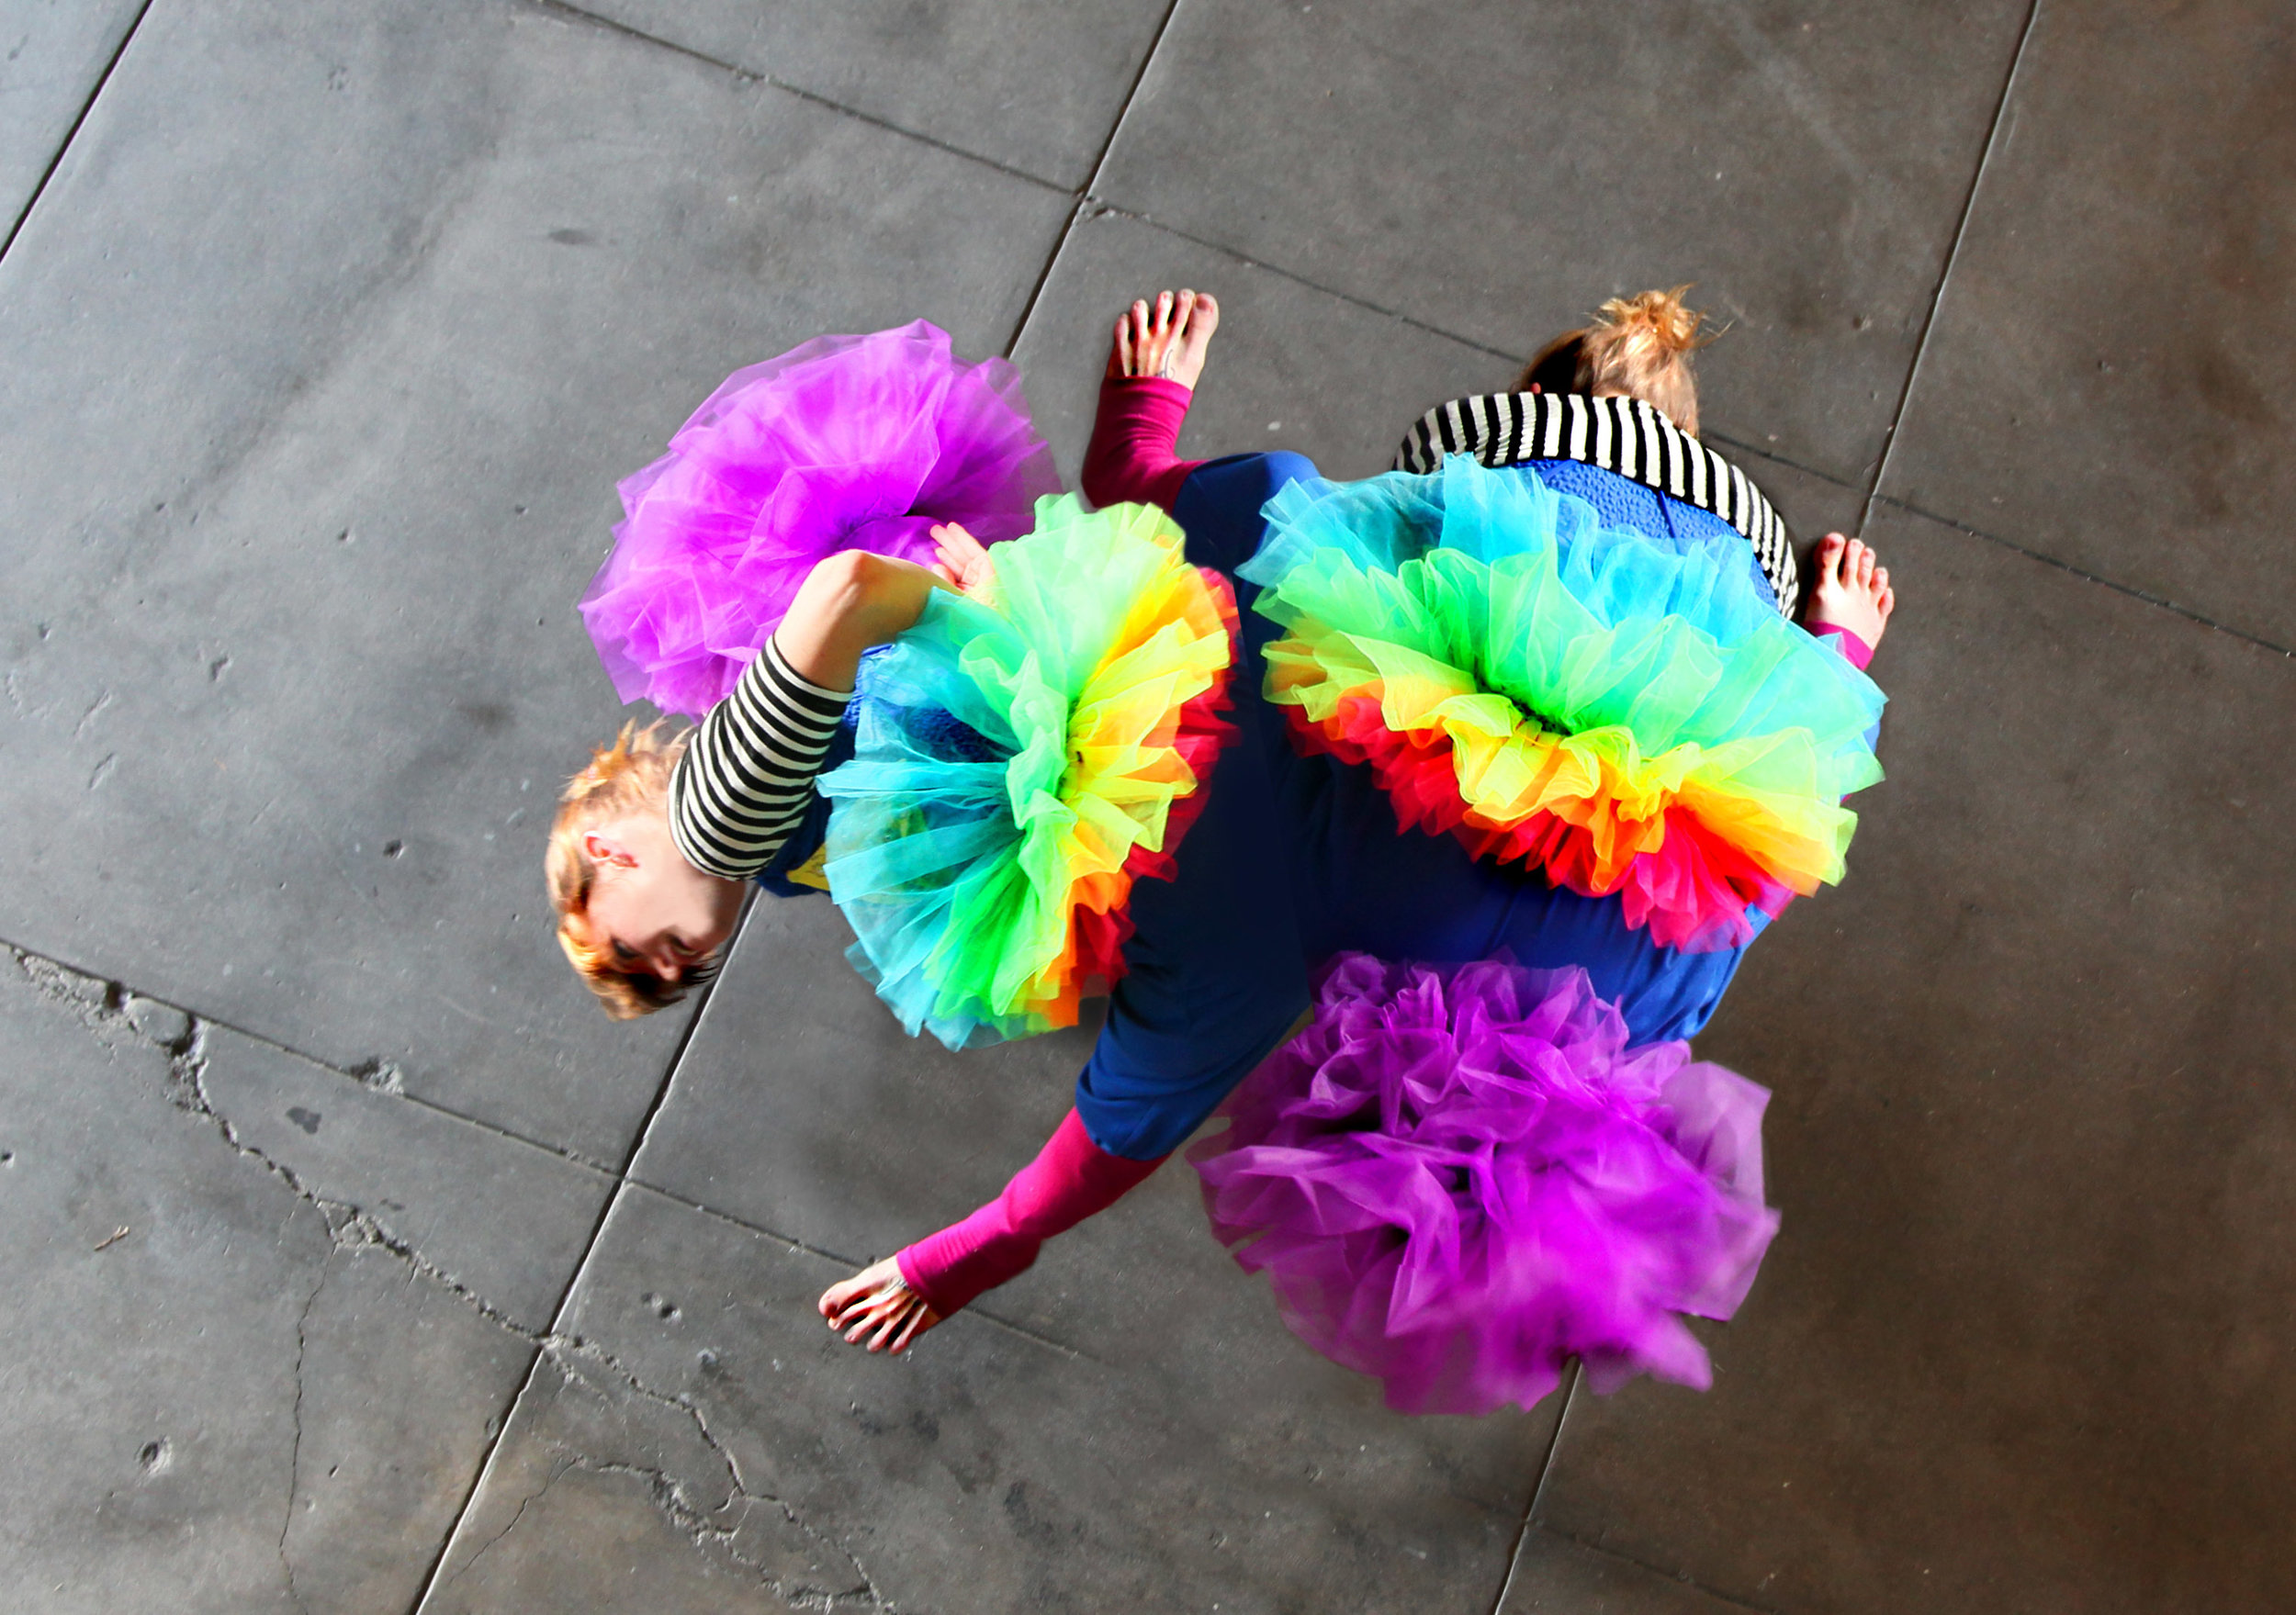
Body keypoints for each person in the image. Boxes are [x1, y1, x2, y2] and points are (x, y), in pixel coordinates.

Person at [818, 286, 1897, 1404]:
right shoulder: (1615, 960)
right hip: (1641, 750)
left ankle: (1153, 468)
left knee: (1255, 534)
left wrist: (1835, 647)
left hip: (1699, 702)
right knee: (1243, 581)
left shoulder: (1654, 984)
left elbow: (1787, 825)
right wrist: (979, 1244)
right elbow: (1139, 1094)